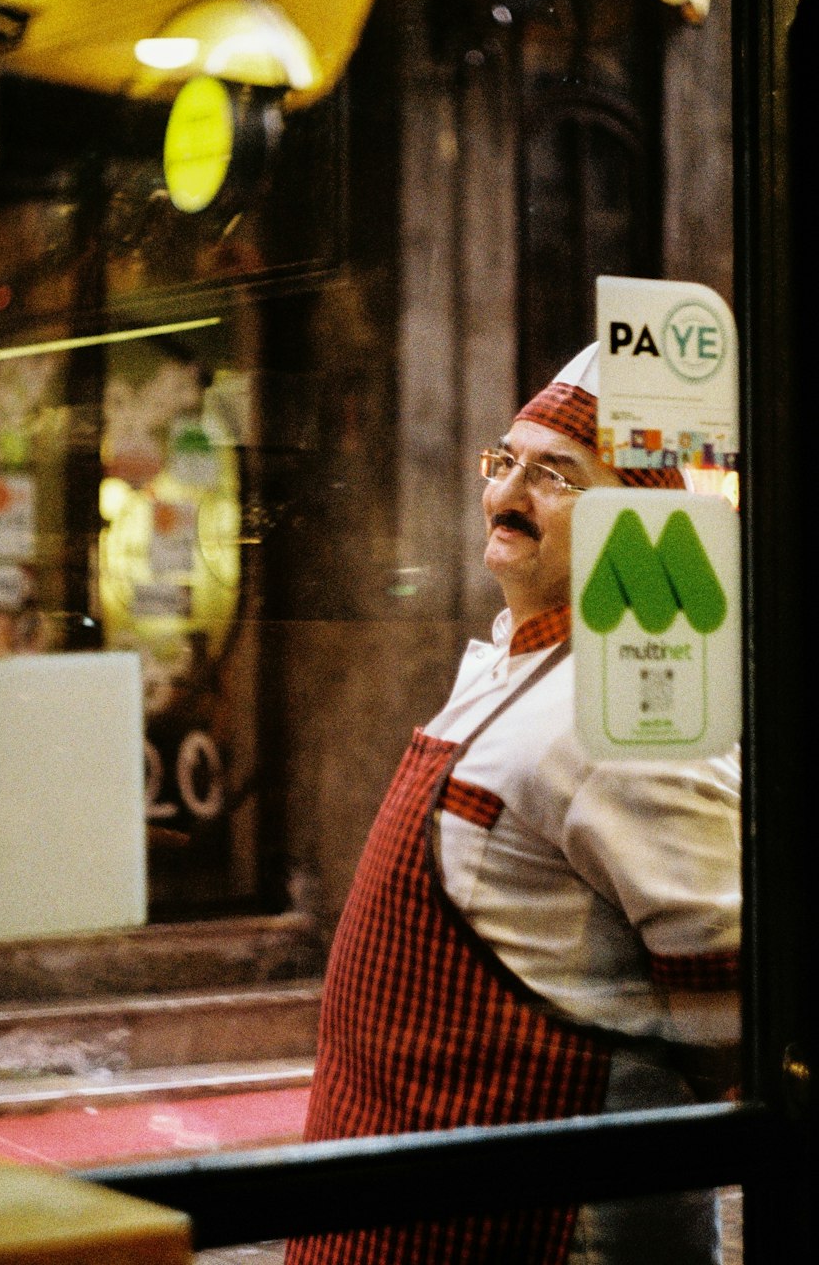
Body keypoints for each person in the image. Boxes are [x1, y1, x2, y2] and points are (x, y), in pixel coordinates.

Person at [286, 345, 740, 1265]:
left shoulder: (627, 716)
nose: (506, 496)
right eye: (505, 463)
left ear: (634, 527)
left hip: (527, 1231)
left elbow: (730, 1005)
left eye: (555, 474)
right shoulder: (511, 662)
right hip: (398, 1220)